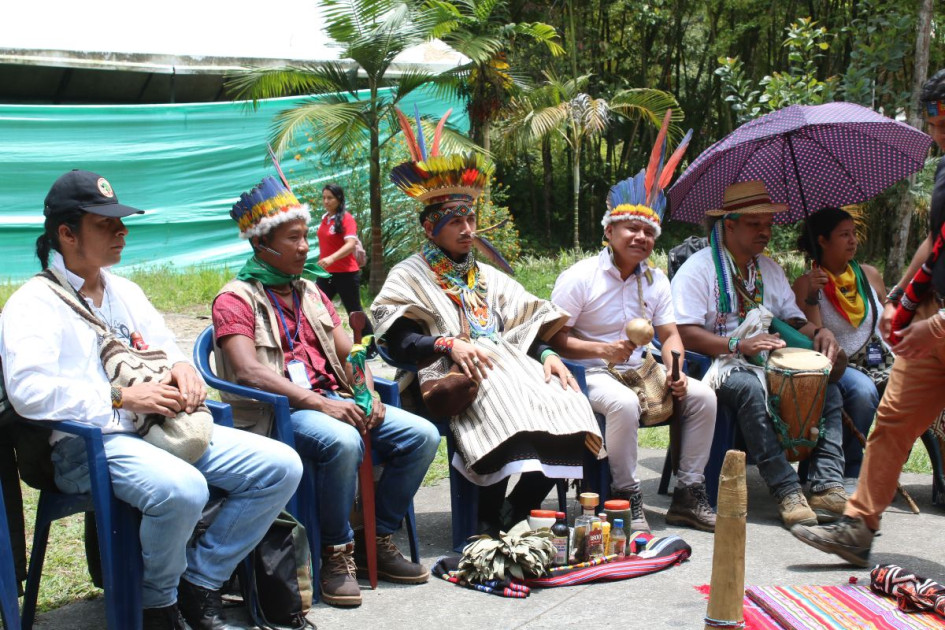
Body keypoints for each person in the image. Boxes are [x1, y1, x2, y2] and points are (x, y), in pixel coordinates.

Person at [0, 169, 303, 630]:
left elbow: (165, 346)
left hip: (160, 429)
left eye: (121, 221)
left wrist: (183, 368)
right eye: (105, 224)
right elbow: (30, 394)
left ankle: (199, 580)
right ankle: (157, 605)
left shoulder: (125, 291)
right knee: (184, 489)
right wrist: (122, 397)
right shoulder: (33, 303)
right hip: (87, 445)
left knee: (280, 467)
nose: (121, 231)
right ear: (66, 234)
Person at [371, 111, 604, 536]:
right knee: (503, 406)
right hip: (444, 377)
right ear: (431, 227)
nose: (467, 229)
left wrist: (547, 355)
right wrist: (448, 344)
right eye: (455, 221)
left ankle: (517, 507)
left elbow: (522, 324)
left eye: (470, 220)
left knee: (572, 403)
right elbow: (399, 342)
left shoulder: (487, 276)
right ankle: (484, 511)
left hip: (506, 365)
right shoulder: (409, 274)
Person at [212, 176, 439, 607]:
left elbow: (350, 350)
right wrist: (321, 403)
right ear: (261, 244)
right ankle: (336, 551)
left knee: (422, 436)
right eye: (293, 238)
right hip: (281, 413)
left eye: (304, 236)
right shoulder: (235, 299)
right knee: (343, 440)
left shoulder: (311, 291)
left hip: (333, 401)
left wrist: (367, 392)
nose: (304, 247)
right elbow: (247, 371)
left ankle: (376, 538)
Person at [791, 69, 945, 566]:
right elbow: (937, 241)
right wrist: (901, 298)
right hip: (930, 317)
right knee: (893, 419)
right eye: (933, 123)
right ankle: (857, 529)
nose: (937, 134)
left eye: (943, 124)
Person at [550, 128, 717, 533]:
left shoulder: (656, 280)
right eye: (631, 228)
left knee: (703, 397)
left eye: (648, 232)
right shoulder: (580, 277)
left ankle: (688, 493)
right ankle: (625, 496)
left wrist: (676, 371)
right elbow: (553, 339)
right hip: (586, 373)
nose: (641, 237)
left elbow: (670, 334)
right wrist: (601, 350)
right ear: (609, 232)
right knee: (623, 404)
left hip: (642, 370)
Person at [671, 180, 848, 529]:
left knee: (825, 380)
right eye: (755, 224)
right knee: (751, 388)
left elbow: (791, 317)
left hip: (764, 357)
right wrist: (737, 346)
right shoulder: (699, 269)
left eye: (768, 224)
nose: (765, 232)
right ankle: (786, 490)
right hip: (718, 363)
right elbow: (682, 331)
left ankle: (827, 483)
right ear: (729, 225)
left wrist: (819, 332)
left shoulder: (768, 268)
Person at [791, 208, 888, 487]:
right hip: (840, 364)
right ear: (822, 240)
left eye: (853, 234)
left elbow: (887, 321)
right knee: (863, 392)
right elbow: (815, 338)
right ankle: (849, 470)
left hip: (879, 361)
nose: (853, 241)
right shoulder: (807, 283)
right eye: (844, 235)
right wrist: (812, 296)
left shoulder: (869, 275)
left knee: (920, 387)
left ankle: (893, 466)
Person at [316, 183, 372, 335]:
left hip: (346, 273)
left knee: (354, 311)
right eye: (324, 198)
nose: (326, 201)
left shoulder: (346, 218)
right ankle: (323, 340)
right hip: (325, 273)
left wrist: (331, 258)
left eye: (330, 198)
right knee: (317, 307)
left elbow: (351, 244)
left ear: (339, 199)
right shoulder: (325, 219)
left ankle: (369, 344)